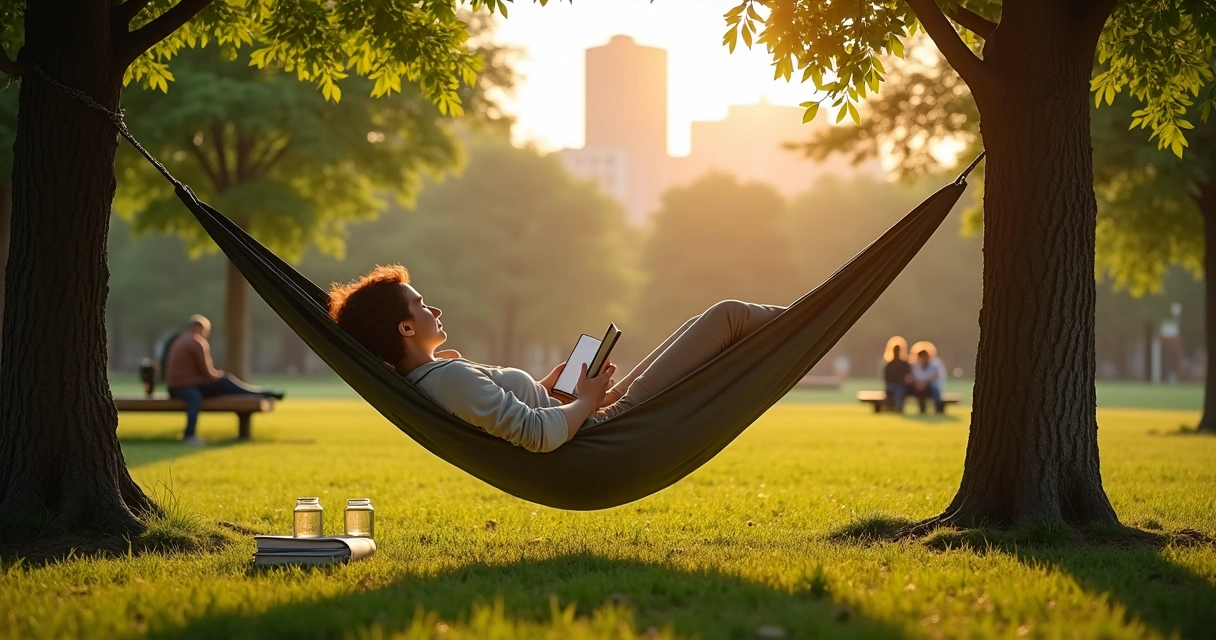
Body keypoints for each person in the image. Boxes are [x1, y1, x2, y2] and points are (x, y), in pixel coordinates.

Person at [328, 265, 785, 453]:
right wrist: (586, 401)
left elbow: (526, 413)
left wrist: (547, 388)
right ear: (405, 329)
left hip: (593, 416)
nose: (435, 310)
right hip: (605, 428)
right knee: (726, 318)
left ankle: (817, 314)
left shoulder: (436, 375)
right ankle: (820, 313)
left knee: (705, 322)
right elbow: (537, 434)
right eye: (423, 305)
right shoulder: (447, 381)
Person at [165, 314, 284, 445]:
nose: (206, 335)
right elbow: (208, 373)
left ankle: (260, 392)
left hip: (177, 386)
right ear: (200, 328)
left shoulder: (180, 339)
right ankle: (261, 392)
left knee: (216, 387)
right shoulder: (197, 342)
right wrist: (220, 376)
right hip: (186, 386)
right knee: (224, 383)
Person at [908, 345, 946, 414]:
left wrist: (925, 382)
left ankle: (938, 409)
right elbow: (914, 377)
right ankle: (922, 409)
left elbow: (935, 376)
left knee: (935, 391)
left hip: (932, 386)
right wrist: (918, 383)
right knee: (918, 390)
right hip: (919, 386)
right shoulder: (915, 365)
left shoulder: (935, 364)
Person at [883, 343, 912, 412]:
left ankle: (898, 408)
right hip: (892, 385)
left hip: (901, 385)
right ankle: (891, 408)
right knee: (892, 390)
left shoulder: (904, 364)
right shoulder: (889, 364)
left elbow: (909, 376)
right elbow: (886, 378)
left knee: (899, 391)